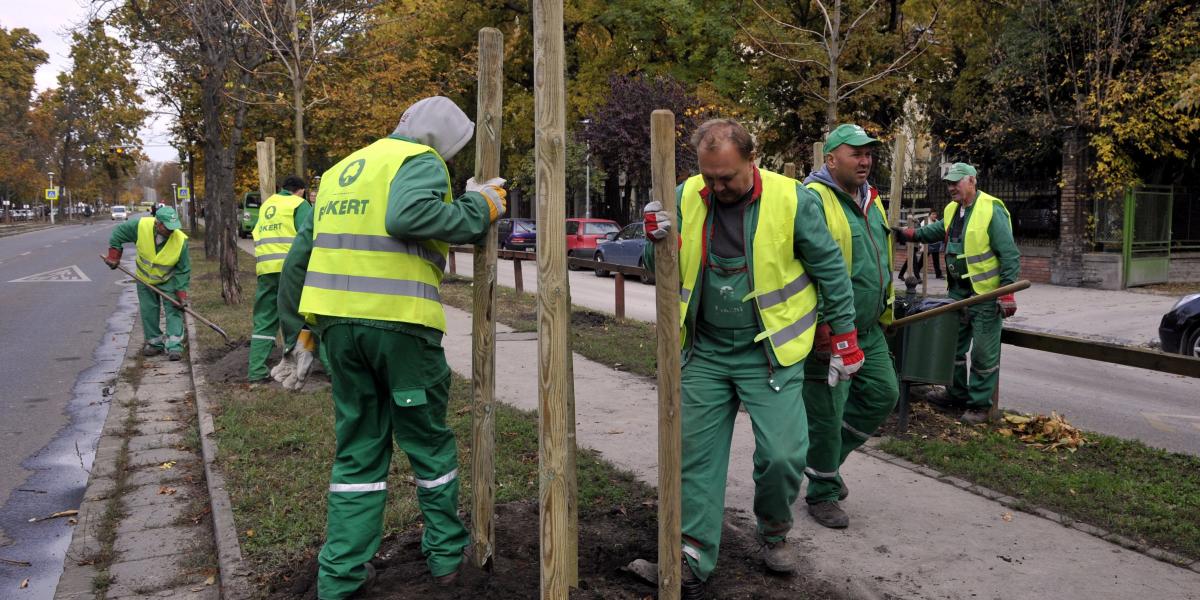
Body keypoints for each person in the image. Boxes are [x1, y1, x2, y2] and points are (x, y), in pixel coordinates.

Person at [276, 96, 507, 599]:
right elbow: (409, 216)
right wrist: (481, 206)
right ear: (442, 142)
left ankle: (339, 578)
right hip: (400, 331)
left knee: (358, 452)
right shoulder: (419, 160)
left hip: (341, 333)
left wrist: (303, 331)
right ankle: (447, 560)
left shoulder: (341, 171)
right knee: (426, 444)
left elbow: (300, 256)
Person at [643, 118, 859, 599]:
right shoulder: (684, 197)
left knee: (783, 456)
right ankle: (693, 552)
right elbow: (652, 268)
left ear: (751, 159)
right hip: (705, 351)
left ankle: (774, 531)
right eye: (709, 178)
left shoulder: (792, 200)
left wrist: (845, 337)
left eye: (727, 177)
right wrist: (655, 239)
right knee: (694, 456)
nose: (717, 187)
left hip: (770, 353)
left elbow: (832, 273)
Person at [800, 123, 900, 529]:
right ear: (830, 158)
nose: (865, 160)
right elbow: (807, 267)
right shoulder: (812, 199)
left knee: (882, 394)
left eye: (869, 153)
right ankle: (822, 493)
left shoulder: (871, 198)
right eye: (855, 153)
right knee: (827, 412)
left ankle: (822, 465)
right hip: (827, 331)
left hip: (868, 327)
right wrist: (824, 323)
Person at [894, 163, 1020, 424]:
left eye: (956, 182)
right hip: (959, 292)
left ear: (972, 181)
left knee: (984, 353)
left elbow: (1009, 254)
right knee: (954, 347)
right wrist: (911, 234)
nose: (951, 187)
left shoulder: (990, 209)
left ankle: (980, 406)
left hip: (985, 294)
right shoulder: (953, 210)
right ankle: (957, 394)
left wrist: (1006, 292)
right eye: (948, 183)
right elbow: (937, 230)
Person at [104, 206, 190, 361]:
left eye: (174, 227)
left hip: (168, 279)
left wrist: (181, 293)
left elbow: (183, 270)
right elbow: (118, 234)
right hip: (144, 279)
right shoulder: (140, 226)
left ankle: (175, 346)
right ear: (158, 223)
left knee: (174, 309)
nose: (171, 231)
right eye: (167, 228)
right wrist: (114, 255)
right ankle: (154, 343)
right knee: (149, 310)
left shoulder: (181, 241)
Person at [247, 175, 311, 383]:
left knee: (265, 319)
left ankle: (256, 371)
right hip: (291, 271)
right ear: (300, 190)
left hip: (266, 269)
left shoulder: (268, 205)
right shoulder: (298, 204)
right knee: (308, 317)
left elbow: (256, 233)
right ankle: (331, 371)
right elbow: (309, 234)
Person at [897, 214, 927, 283]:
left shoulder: (918, 225)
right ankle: (918, 278)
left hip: (915, 245)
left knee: (909, 261)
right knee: (914, 262)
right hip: (910, 245)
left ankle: (900, 274)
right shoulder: (908, 225)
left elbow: (919, 234)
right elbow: (903, 229)